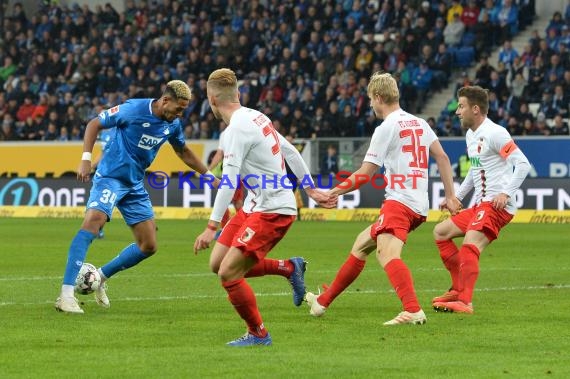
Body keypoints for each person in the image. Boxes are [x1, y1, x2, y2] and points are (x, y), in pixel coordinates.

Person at [305, 72, 462, 325]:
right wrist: (451, 196)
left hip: (399, 202)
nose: (370, 105)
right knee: (361, 244)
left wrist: (334, 191)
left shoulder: (386, 127)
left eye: (370, 99)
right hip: (418, 205)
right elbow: (443, 158)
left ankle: (412, 309)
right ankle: (322, 303)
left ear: (378, 97)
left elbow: (366, 173)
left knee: (387, 254)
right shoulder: (420, 123)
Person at [193, 68, 335, 346]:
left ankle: (258, 333)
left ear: (211, 99)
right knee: (217, 264)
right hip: (254, 206)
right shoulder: (256, 116)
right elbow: (291, 150)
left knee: (228, 274)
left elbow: (229, 180)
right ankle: (289, 268)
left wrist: (211, 227)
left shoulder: (236, 129)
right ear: (238, 94)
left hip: (273, 210)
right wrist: (310, 188)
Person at [55, 80, 214, 314]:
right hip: (110, 177)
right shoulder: (133, 109)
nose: (181, 114)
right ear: (165, 100)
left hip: (134, 184)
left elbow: (183, 152)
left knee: (148, 245)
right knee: (92, 222)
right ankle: (66, 295)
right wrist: (86, 159)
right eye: (178, 108)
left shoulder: (173, 125)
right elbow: (94, 124)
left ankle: (99, 277)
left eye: (184, 110)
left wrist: (210, 176)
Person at [432, 86, 530, 314]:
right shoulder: (471, 134)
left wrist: (506, 193)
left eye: (461, 106)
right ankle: (458, 289)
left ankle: (465, 302)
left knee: (469, 245)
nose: (457, 111)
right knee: (440, 232)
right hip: (481, 204)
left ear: (475, 109)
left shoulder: (495, 133)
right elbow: (475, 171)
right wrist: (456, 197)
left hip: (498, 206)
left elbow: (523, 164)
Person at [90, 127, 116, 239]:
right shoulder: (105, 133)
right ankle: (98, 229)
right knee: (101, 203)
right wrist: (91, 165)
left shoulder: (120, 130)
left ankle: (148, 223)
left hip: (117, 173)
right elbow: (103, 153)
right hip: (103, 173)